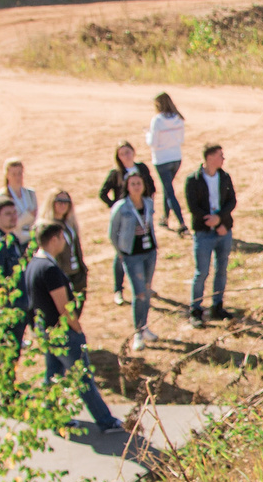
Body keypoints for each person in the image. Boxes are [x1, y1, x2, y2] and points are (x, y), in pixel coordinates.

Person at [25, 222, 125, 435]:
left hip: (47, 331)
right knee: (83, 378)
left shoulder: (34, 263)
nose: (64, 242)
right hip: (63, 333)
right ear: (55, 239)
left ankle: (53, 417)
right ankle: (105, 421)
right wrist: (77, 328)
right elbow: (64, 307)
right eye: (62, 238)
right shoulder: (50, 269)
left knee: (53, 375)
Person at [108, 164, 161, 351]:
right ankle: (137, 333)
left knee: (146, 291)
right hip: (132, 255)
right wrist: (121, 251)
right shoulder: (121, 207)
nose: (137, 187)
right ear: (127, 186)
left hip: (149, 253)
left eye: (139, 183)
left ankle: (144, 326)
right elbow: (112, 232)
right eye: (133, 184)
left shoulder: (148, 203)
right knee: (138, 294)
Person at [183, 142, 235, 326]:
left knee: (221, 269)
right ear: (209, 157)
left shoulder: (225, 177)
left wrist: (220, 220)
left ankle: (217, 305)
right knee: (202, 272)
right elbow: (192, 206)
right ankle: (196, 308)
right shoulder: (193, 180)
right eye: (220, 155)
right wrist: (210, 221)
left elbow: (231, 201)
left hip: (223, 230)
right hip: (203, 232)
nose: (223, 158)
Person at [0, 192, 31, 350]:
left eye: (14, 212)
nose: (13, 217)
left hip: (19, 307)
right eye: (8, 214)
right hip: (9, 312)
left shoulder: (11, 238)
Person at [98, 141, 144, 305]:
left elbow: (151, 188)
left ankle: (144, 286)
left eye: (128, 152)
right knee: (121, 254)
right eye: (122, 153)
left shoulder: (142, 169)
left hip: (141, 218)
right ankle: (118, 289)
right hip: (125, 221)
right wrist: (116, 208)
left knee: (143, 251)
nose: (126, 156)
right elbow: (102, 193)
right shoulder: (116, 173)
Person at [146, 93, 189, 234]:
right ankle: (165, 218)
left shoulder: (157, 121)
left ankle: (182, 223)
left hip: (162, 159)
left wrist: (147, 135)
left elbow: (153, 142)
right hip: (176, 158)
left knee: (169, 191)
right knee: (167, 188)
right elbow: (181, 139)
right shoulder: (178, 118)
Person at [45, 189, 86, 295]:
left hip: (77, 274)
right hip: (60, 275)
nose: (63, 204)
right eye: (59, 201)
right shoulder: (46, 226)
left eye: (66, 201)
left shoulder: (70, 223)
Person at [2, 159, 39, 238]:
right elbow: (5, 225)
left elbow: (36, 217)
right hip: (13, 240)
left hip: (31, 237)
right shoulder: (2, 197)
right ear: (7, 175)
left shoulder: (31, 193)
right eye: (14, 174)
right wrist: (27, 216)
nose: (17, 177)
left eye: (20, 173)